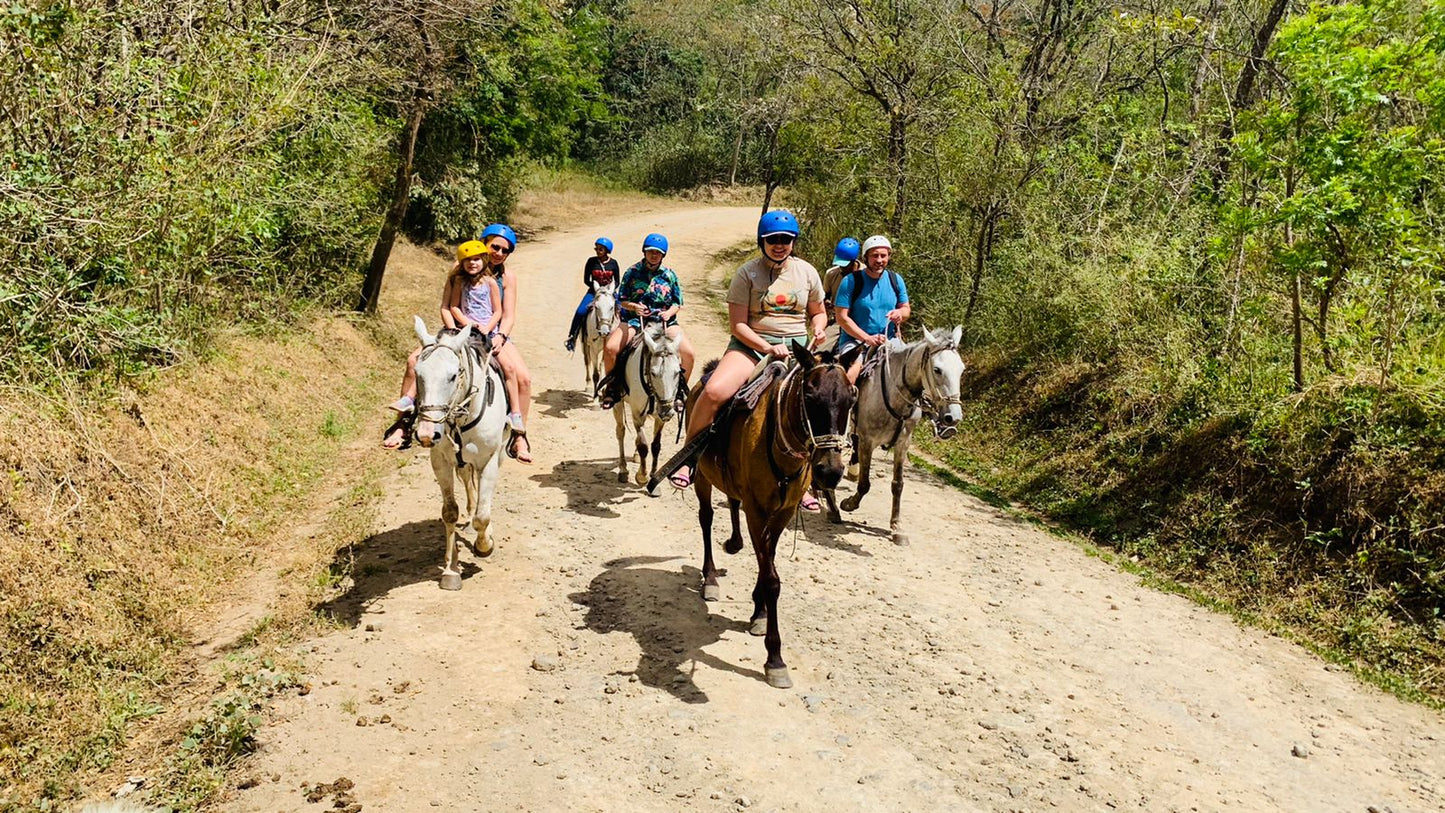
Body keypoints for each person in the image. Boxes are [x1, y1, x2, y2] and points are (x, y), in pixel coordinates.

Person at [672, 210, 826, 500]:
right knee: (715, 391)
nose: (779, 245)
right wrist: (767, 347)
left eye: (785, 239)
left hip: (798, 351)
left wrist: (818, 328)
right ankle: (690, 457)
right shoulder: (747, 273)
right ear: (762, 241)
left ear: (794, 241)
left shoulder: (807, 272)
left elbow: (818, 313)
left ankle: (807, 478)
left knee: (826, 403)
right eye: (773, 240)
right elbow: (738, 324)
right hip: (752, 348)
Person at [382, 240, 502, 449]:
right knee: (420, 363)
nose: (472, 264)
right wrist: (463, 326)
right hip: (458, 331)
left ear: (483, 260)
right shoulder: (458, 280)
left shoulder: (492, 283)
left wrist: (489, 328)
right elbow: (452, 307)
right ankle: (406, 414)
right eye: (468, 260)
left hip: (486, 333)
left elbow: (499, 311)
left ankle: (512, 420)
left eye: (476, 259)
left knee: (509, 371)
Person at [597, 233, 695, 410]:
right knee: (611, 348)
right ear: (644, 252)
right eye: (650, 251)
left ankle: (679, 390)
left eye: (657, 252)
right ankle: (612, 387)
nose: (654, 255)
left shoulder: (669, 275)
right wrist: (634, 307)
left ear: (663, 255)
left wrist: (669, 313)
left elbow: (677, 302)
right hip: (635, 321)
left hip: (665, 321)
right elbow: (622, 299)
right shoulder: (632, 272)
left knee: (689, 353)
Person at [478, 222, 535, 463]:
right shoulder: (464, 267)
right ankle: (407, 420)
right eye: (495, 247)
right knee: (419, 361)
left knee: (523, 378)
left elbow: (508, 314)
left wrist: (501, 336)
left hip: (497, 334)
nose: (499, 254)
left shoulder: (508, 277)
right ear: (484, 244)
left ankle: (518, 435)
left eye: (505, 250)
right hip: (464, 329)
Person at [835, 234, 911, 384]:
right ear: (865, 258)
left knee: (911, 370)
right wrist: (867, 339)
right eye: (874, 256)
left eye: (883, 256)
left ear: (889, 256)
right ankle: (847, 406)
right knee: (851, 375)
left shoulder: (895, 280)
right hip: (856, 342)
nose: (879, 260)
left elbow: (906, 309)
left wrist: (899, 313)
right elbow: (842, 318)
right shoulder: (850, 281)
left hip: (890, 340)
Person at [564, 237, 621, 352]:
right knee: (580, 311)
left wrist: (608, 290)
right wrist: (597, 289)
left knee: (623, 311)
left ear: (607, 250)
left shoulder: (614, 263)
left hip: (609, 292)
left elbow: (617, 280)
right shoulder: (591, 262)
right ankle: (572, 337)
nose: (598, 251)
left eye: (601, 249)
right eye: (597, 249)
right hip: (594, 291)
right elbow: (586, 279)